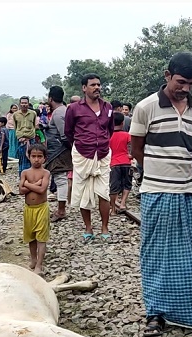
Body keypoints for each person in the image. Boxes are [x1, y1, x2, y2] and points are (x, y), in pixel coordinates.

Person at [129, 52, 192, 337]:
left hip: (186, 190)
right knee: (155, 252)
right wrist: (156, 173)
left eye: (190, 83)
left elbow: (191, 148)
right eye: (181, 81)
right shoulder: (146, 107)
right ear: (167, 75)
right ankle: (155, 312)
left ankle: (182, 311)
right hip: (157, 190)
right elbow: (136, 149)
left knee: (183, 253)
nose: (185, 88)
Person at [65, 74, 114, 242]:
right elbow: (68, 132)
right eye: (93, 85)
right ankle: (88, 227)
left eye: (99, 84)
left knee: (104, 193)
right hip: (82, 154)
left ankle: (105, 227)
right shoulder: (74, 108)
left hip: (102, 154)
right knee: (83, 191)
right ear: (84, 88)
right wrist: (82, 144)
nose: (97, 87)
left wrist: (101, 143)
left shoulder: (108, 107)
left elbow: (110, 130)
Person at [19, 144, 51, 276]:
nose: (36, 159)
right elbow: (21, 191)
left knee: (41, 237)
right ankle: (33, 259)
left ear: (44, 158)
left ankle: (39, 264)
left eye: (39, 157)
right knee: (30, 235)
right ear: (29, 157)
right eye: (33, 156)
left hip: (41, 208)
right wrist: (35, 184)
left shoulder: (46, 173)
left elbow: (42, 189)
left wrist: (27, 184)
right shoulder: (25, 172)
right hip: (29, 209)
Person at [43, 86, 71, 222]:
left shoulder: (59, 113)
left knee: (60, 179)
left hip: (59, 150)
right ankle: (61, 208)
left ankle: (61, 211)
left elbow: (64, 135)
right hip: (59, 149)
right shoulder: (63, 111)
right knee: (60, 179)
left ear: (50, 98)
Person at [109, 112, 132, 213]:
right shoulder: (127, 135)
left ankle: (113, 209)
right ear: (123, 123)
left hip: (113, 163)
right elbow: (132, 148)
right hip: (126, 162)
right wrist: (131, 156)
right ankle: (122, 203)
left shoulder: (108, 136)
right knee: (127, 184)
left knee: (114, 186)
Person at [13, 96, 37, 177]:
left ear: (28, 103)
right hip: (21, 141)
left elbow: (34, 126)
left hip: (31, 140)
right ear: (19, 104)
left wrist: (29, 136)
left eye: (25, 103)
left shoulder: (33, 113)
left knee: (31, 158)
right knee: (22, 159)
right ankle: (22, 176)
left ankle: (31, 176)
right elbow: (15, 128)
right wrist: (20, 137)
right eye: (22, 103)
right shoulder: (15, 115)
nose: (24, 105)